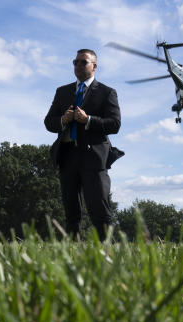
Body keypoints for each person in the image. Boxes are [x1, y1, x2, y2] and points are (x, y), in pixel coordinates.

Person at [44, 48, 121, 240]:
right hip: (67, 155)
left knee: (98, 207)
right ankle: (72, 250)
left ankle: (106, 252)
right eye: (75, 62)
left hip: (94, 157)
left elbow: (115, 124)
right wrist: (64, 119)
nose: (78, 65)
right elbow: (49, 122)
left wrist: (88, 120)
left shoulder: (106, 92)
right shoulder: (62, 92)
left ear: (94, 66)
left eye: (83, 62)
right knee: (71, 209)